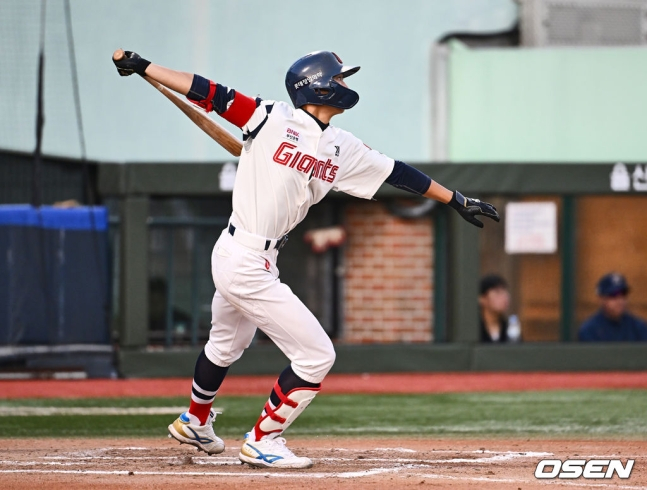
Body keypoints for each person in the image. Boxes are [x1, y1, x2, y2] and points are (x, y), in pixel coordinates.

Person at [113, 49, 500, 469]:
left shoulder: (341, 146)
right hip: (242, 257)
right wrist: (146, 66)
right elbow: (207, 92)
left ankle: (195, 420)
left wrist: (455, 198)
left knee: (226, 345)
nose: (346, 85)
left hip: (253, 258)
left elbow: (397, 172)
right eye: (339, 78)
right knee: (317, 355)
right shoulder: (268, 118)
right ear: (317, 85)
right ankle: (263, 439)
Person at [579, 272, 647, 342]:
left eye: (623, 294)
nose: (620, 300)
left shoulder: (638, 327)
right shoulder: (590, 330)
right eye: (613, 295)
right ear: (601, 299)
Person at [478, 274, 515, 342]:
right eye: (498, 292)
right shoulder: (474, 330)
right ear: (482, 299)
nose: (504, 297)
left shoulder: (510, 328)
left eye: (505, 292)